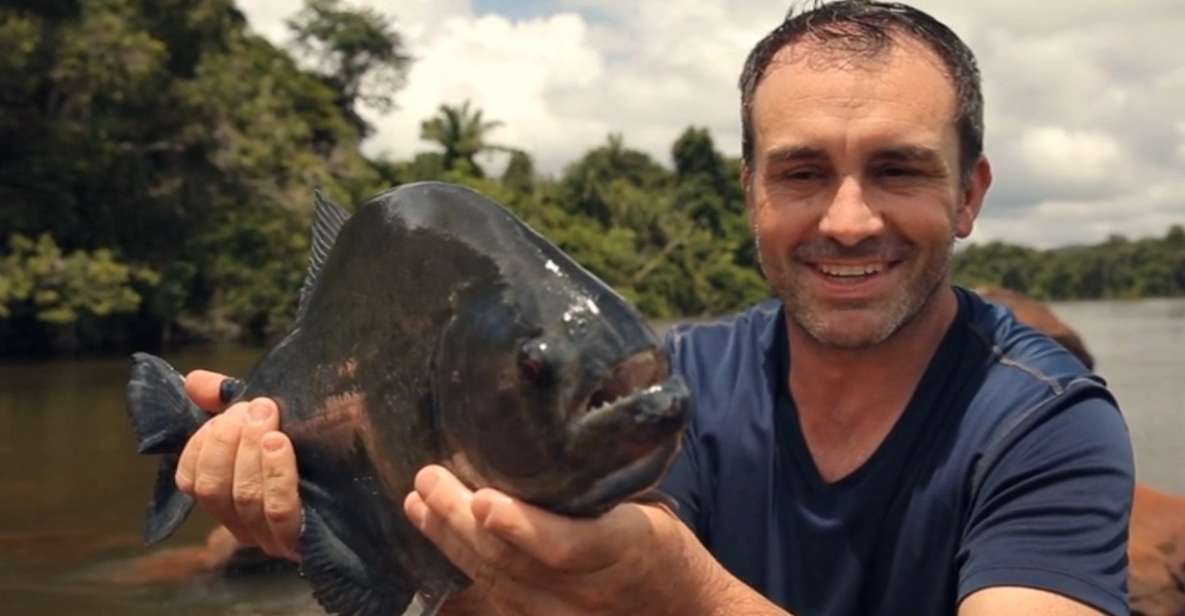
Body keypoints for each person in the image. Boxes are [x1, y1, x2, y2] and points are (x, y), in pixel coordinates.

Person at [175, 1, 1134, 614]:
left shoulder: (1045, 423)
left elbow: (655, 579)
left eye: (898, 170)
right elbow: (524, 592)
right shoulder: (683, 382)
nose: (848, 220)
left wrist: (686, 596)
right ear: (751, 192)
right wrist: (333, 517)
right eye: (801, 172)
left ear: (968, 194)